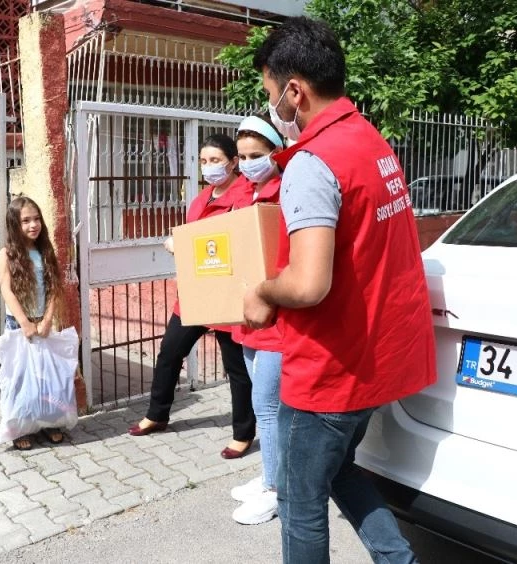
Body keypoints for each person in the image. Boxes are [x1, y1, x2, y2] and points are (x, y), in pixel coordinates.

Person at [244, 17, 436, 563]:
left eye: (269, 93)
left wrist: (262, 291)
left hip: (329, 371)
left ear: (294, 91)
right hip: (376, 361)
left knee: (300, 503)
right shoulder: (370, 141)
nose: (271, 106)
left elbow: (308, 283)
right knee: (339, 469)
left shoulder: (313, 162)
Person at [128, 134, 256, 460]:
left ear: (233, 162)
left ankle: (243, 433)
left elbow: (239, 240)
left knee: (236, 368)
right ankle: (157, 414)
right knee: (170, 352)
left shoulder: (246, 196)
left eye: (215, 160)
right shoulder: (201, 199)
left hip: (229, 295)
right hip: (197, 293)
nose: (208, 167)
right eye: (203, 161)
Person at [227, 115, 286, 525]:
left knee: (268, 406)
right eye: (243, 156)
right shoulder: (244, 193)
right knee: (258, 401)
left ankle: (276, 489)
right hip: (248, 317)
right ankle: (270, 473)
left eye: (256, 155)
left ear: (274, 153)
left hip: (276, 318)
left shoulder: (285, 192)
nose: (248, 163)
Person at [0, 195, 66, 450]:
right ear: (15, 224)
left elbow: (54, 287)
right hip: (19, 326)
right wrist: (24, 322)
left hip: (42, 323)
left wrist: (47, 319)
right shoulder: (6, 254)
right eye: (26, 220)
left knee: (46, 378)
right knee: (19, 380)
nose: (33, 225)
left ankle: (48, 422)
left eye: (36, 219)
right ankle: (19, 428)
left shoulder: (45, 251)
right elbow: (6, 290)